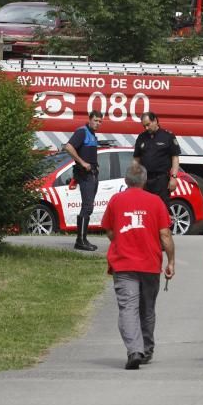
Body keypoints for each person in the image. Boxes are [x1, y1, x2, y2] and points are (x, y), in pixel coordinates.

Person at [102, 162, 176, 369]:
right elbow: (165, 234)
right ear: (144, 180)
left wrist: (121, 242)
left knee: (128, 308)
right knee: (147, 309)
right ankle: (146, 349)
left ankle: (135, 350)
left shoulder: (116, 200)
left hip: (124, 264)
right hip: (150, 263)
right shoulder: (156, 202)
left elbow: (109, 230)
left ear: (126, 180)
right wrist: (171, 261)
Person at [63, 110, 103, 251]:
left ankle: (82, 239)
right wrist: (82, 162)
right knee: (87, 206)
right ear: (90, 119)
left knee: (89, 206)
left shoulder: (92, 134)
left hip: (92, 174)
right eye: (96, 120)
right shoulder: (82, 131)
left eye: (100, 121)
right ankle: (80, 241)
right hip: (85, 175)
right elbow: (68, 146)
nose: (98, 123)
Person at [133, 112, 181, 207]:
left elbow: (175, 158)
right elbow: (136, 159)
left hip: (161, 180)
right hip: (145, 180)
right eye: (144, 126)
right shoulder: (141, 137)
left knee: (161, 208)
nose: (146, 128)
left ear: (155, 120)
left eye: (148, 124)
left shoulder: (168, 136)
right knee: (145, 208)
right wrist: (135, 177)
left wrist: (174, 177)